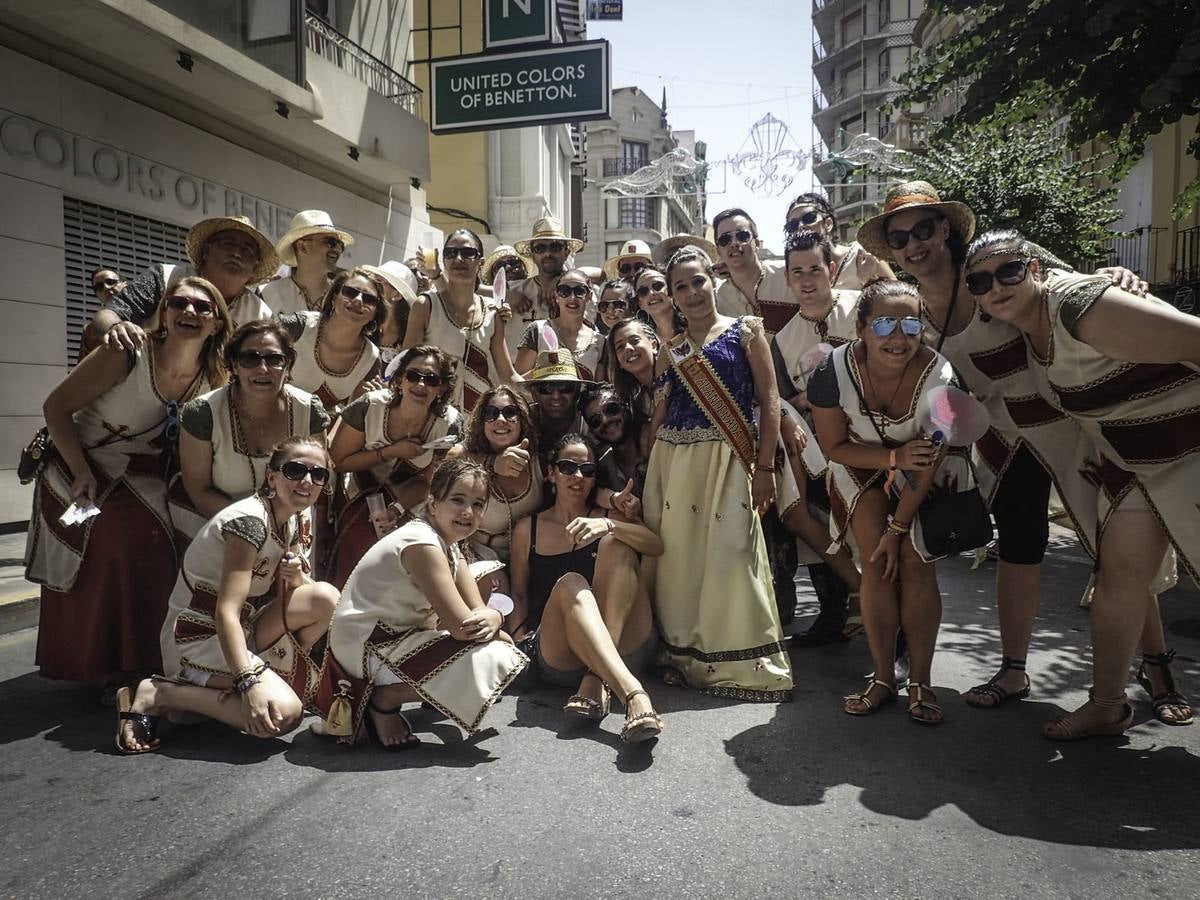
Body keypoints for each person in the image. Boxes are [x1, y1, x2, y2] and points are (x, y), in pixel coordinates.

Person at [855, 181, 1175, 719]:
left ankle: (1159, 667)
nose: (914, 243)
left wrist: (1116, 279)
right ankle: (1013, 668)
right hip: (1002, 442)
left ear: (948, 230)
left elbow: (1070, 288)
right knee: (1020, 547)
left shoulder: (990, 265)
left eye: (924, 228)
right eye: (899, 235)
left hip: (1076, 429)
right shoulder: (911, 311)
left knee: (1116, 551)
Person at [965, 229, 1199, 737]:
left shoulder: (1080, 305)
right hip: (1140, 465)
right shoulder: (1030, 334)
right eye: (981, 280)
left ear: (1034, 269)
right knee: (1118, 579)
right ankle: (1108, 705)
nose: (996, 286)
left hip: (1190, 449)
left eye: (1008, 270)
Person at [28, 277, 231, 691]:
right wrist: (81, 471)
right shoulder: (126, 352)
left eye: (202, 307)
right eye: (179, 303)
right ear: (163, 313)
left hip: (142, 469)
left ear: (216, 323)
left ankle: (166, 656)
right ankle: (109, 666)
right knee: (119, 542)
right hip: (77, 463)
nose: (189, 312)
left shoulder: (214, 374)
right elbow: (55, 408)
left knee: (182, 540)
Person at [809, 280, 974, 725]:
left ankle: (920, 679)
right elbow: (834, 447)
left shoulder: (943, 379)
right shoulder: (830, 373)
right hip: (859, 458)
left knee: (916, 560)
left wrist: (898, 529)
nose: (898, 337)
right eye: (884, 323)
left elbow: (928, 461)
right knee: (876, 560)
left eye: (911, 324)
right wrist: (892, 457)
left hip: (921, 471)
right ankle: (882, 677)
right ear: (861, 327)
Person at [116, 437, 340, 753]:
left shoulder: (297, 518)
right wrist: (248, 682)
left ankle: (218, 694)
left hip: (242, 630)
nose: (307, 481)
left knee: (326, 597)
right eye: (295, 470)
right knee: (285, 715)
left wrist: (297, 577)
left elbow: (301, 596)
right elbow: (226, 611)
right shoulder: (248, 522)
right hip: (197, 637)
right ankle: (161, 694)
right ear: (272, 476)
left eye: (319, 475)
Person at [643, 247, 793, 701]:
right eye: (680, 287)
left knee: (733, 555)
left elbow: (769, 401)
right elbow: (662, 411)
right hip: (675, 461)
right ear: (671, 296)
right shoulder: (671, 349)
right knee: (681, 560)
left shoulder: (747, 332)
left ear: (714, 280)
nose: (691, 293)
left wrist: (765, 465)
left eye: (698, 282)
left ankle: (744, 660)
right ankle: (684, 655)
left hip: (731, 460)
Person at [314, 459, 529, 749]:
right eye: (457, 500)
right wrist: (497, 618)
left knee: (497, 644)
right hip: (364, 648)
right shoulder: (422, 544)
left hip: (394, 638)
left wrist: (490, 616)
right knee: (497, 652)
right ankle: (384, 699)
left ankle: (413, 690)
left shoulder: (448, 542)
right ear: (432, 503)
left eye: (478, 504)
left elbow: (475, 609)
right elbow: (464, 628)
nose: (468, 512)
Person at [508, 435, 664, 743]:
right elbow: (520, 592)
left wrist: (610, 527)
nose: (578, 476)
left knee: (616, 546)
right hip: (562, 652)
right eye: (568, 467)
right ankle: (633, 694)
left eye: (587, 470)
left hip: (627, 642)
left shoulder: (610, 516)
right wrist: (517, 643)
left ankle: (597, 678)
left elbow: (656, 546)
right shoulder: (529, 528)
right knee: (570, 584)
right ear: (551, 473)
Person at [770, 229, 864, 644]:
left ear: (832, 268)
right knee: (821, 529)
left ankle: (891, 632)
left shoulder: (863, 310)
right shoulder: (783, 338)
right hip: (818, 450)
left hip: (871, 442)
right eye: (797, 272)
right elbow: (784, 399)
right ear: (788, 279)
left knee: (871, 535)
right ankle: (832, 614)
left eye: (814, 269)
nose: (807, 280)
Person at [170, 320, 331, 545]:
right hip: (215, 521)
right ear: (234, 365)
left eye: (274, 359)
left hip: (289, 523)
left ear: (288, 365)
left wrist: (279, 529)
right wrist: (254, 527)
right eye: (250, 358)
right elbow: (199, 489)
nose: (263, 368)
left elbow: (315, 481)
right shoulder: (203, 413)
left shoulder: (309, 410)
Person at [328, 345, 460, 588]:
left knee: (415, 546)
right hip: (355, 486)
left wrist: (396, 510)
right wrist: (392, 451)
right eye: (413, 375)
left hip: (409, 497)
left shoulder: (449, 424)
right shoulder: (370, 406)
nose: (421, 385)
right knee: (360, 537)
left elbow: (429, 481)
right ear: (399, 379)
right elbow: (338, 462)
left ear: (441, 388)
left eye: (431, 379)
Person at [91, 215, 277, 351]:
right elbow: (109, 314)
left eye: (247, 249)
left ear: (255, 266)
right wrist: (115, 328)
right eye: (228, 244)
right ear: (206, 251)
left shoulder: (260, 313)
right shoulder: (164, 277)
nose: (237, 253)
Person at [403, 228, 517, 413]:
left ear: (480, 262)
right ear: (443, 260)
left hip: (479, 420)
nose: (458, 259)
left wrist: (547, 386)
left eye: (467, 253)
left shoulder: (492, 311)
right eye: (450, 253)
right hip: (433, 417)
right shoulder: (425, 305)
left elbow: (508, 375)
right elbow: (405, 366)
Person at [447, 385, 543, 580]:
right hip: (472, 553)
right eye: (490, 413)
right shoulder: (464, 454)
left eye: (510, 413)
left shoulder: (539, 460)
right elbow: (450, 461)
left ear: (522, 419)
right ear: (481, 421)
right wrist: (493, 464)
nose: (500, 420)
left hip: (524, 558)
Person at [277, 266, 384, 416]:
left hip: (314, 437)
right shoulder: (298, 326)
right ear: (334, 297)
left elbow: (351, 419)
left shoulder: (370, 359)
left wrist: (371, 400)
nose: (358, 300)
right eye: (350, 292)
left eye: (369, 299)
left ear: (375, 313)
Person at [508, 216, 600, 356]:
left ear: (566, 252)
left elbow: (606, 274)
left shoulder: (585, 291)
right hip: (523, 374)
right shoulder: (515, 290)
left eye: (555, 247)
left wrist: (559, 282)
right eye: (540, 248)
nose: (548, 253)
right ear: (532, 255)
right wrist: (506, 295)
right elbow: (471, 291)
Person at [713, 207, 801, 336]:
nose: (734, 244)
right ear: (718, 250)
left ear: (757, 243)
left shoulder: (789, 274)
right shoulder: (719, 299)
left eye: (742, 236)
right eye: (724, 240)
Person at [783, 192, 894, 290]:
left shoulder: (862, 256)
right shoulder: (796, 272)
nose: (801, 226)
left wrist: (869, 282)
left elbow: (901, 301)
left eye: (809, 218)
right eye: (792, 225)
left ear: (828, 224)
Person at [515, 268, 606, 381]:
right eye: (564, 291)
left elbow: (599, 389)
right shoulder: (538, 330)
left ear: (589, 296)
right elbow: (518, 383)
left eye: (580, 291)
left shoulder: (600, 341)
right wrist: (546, 371)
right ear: (556, 296)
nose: (572, 297)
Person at [261, 210, 353, 315]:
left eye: (340, 244)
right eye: (330, 242)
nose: (337, 249)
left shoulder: (342, 298)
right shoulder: (268, 293)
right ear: (303, 247)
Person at [521, 346, 588, 468]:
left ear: (577, 391)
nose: (556, 396)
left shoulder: (592, 423)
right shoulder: (518, 423)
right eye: (546, 388)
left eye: (565, 387)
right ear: (534, 393)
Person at [581, 383, 648, 499]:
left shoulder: (656, 442)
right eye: (595, 420)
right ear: (591, 431)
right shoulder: (602, 469)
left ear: (626, 407)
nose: (605, 420)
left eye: (611, 409)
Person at [366, 260, 421, 373]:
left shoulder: (411, 335)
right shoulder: (364, 322)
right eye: (373, 279)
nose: (372, 285)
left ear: (396, 295)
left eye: (379, 281)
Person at [607, 317, 661, 424]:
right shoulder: (636, 403)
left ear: (653, 346)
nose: (628, 348)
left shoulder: (678, 377)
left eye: (635, 341)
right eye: (620, 347)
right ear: (618, 362)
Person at [633, 267, 684, 347]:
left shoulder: (694, 325)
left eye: (657, 286)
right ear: (640, 304)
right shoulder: (644, 343)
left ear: (671, 290)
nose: (651, 293)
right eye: (643, 291)